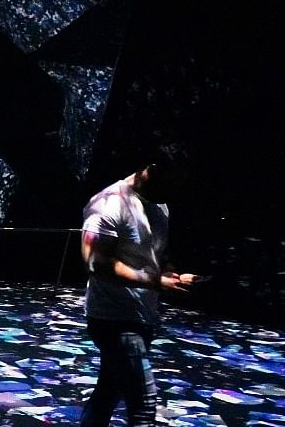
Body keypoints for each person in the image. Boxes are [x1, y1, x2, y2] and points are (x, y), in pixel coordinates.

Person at [78, 156, 199, 427]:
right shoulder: (109, 204)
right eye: (170, 180)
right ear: (151, 170)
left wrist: (170, 273)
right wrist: (156, 282)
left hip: (140, 315)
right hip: (112, 319)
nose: (173, 189)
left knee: (107, 393)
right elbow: (95, 263)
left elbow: (154, 253)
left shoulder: (159, 204)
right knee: (143, 404)